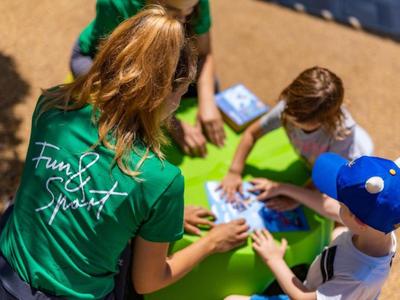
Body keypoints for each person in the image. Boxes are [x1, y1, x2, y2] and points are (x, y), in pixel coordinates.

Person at [0, 7, 248, 299]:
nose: (179, 105)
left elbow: (87, 196)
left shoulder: (53, 105)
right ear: (163, 95)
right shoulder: (161, 179)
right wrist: (212, 243)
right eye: (181, 94)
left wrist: (154, 221)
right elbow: (148, 281)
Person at [225, 153, 398, 300]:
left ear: (358, 221)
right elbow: (332, 210)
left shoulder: (359, 277)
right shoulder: (383, 231)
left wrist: (274, 259)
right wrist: (285, 189)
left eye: (340, 203)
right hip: (336, 283)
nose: (334, 202)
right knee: (338, 230)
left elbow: (302, 297)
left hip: (311, 292)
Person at [70, 0, 225, 157]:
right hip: (101, 63)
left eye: (191, 10)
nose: (184, 19)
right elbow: (117, 75)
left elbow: (204, 53)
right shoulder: (115, 4)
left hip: (160, 55)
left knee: (211, 86)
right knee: (122, 117)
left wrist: (207, 102)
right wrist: (172, 123)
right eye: (174, 12)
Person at [220, 66, 373, 207]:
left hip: (348, 166)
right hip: (313, 161)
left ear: (324, 120)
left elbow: (329, 174)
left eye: (299, 123)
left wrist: (294, 197)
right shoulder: (288, 108)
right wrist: (234, 171)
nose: (291, 120)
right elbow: (251, 133)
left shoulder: (342, 132)